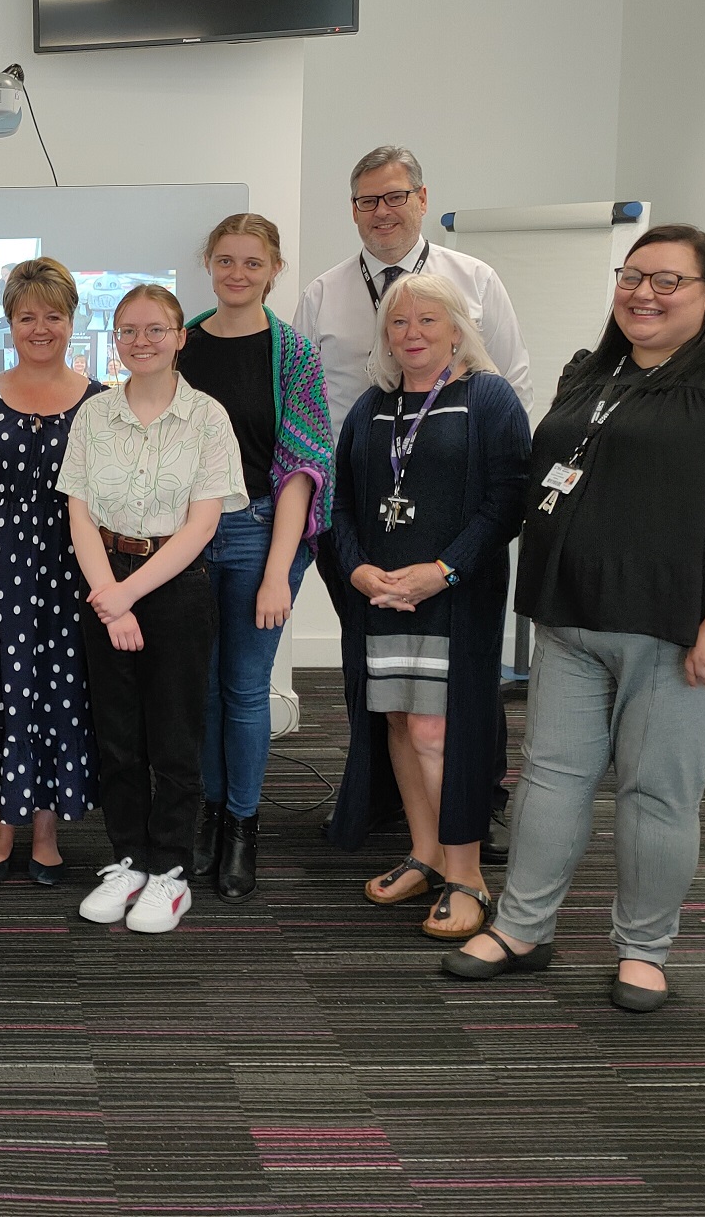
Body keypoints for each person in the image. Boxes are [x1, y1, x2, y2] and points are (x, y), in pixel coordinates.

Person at [443, 225, 705, 1012]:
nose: (644, 293)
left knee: (655, 794)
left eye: (668, 280)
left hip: (683, 630)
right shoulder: (592, 372)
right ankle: (522, 929)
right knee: (550, 780)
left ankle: (644, 951)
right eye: (633, 275)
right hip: (573, 617)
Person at [293, 145, 534, 855]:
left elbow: (511, 384)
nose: (382, 212)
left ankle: (475, 803)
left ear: (422, 199)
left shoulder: (475, 279)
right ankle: (387, 805)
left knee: (465, 675)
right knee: (381, 670)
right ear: (354, 210)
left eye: (395, 196)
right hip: (361, 515)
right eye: (368, 200)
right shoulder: (324, 293)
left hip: (458, 509)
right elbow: (308, 406)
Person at [327, 275, 530, 940]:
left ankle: (466, 872)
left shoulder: (488, 397)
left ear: (456, 326)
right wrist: (357, 571)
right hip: (383, 597)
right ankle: (425, 851)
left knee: (441, 733)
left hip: (453, 595)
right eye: (397, 323)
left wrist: (444, 571)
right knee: (399, 726)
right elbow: (345, 502)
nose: (411, 333)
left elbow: (507, 499)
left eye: (427, 320)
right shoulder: (373, 406)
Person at [58, 284, 248, 934]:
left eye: (155, 330)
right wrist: (111, 600)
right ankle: (129, 861)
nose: (142, 341)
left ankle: (170, 871)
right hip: (102, 578)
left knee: (173, 737)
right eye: (129, 331)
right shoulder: (93, 415)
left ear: (179, 337)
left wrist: (128, 597)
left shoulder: (207, 418)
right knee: (116, 737)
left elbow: (201, 527)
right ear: (115, 340)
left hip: (176, 584)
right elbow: (79, 515)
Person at [176, 215, 334, 902]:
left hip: (259, 535)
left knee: (243, 688)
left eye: (252, 263)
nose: (237, 274)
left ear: (274, 269)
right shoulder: (181, 342)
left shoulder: (291, 351)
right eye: (225, 261)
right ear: (207, 263)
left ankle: (242, 825)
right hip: (186, 538)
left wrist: (278, 568)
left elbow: (303, 464)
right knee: (203, 688)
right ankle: (208, 814)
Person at [0, 258, 105, 886]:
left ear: (71, 321)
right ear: (9, 323)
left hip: (71, 571)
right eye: (27, 316)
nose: (40, 328)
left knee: (63, 696)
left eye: (53, 316)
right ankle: (2, 823)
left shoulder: (101, 404)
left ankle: (47, 826)